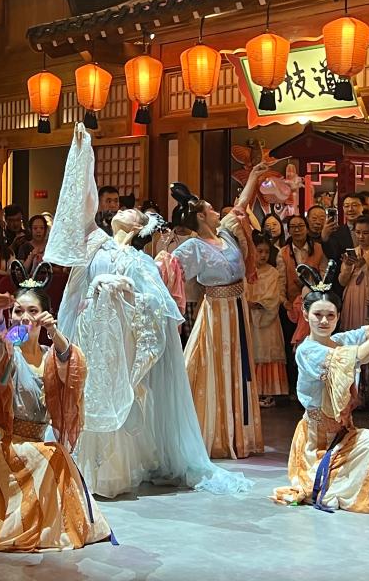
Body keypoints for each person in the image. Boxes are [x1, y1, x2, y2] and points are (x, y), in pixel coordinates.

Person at [48, 124, 251, 496]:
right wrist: (83, 154)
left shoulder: (139, 262)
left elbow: (158, 307)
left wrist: (124, 292)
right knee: (88, 391)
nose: (125, 210)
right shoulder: (96, 244)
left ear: (138, 227)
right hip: (91, 334)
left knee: (116, 395)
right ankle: (79, 463)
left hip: (119, 339)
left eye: (133, 212)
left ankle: (110, 471)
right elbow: (83, 203)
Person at [0, 263, 113, 551]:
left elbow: (72, 366)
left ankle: (48, 526)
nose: (24, 317)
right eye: (18, 311)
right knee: (55, 458)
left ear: (44, 316)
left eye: (32, 311)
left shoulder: (50, 355)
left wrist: (55, 332)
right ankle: (30, 527)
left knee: (57, 456)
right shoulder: (9, 351)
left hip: (35, 443)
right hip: (7, 443)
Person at [272, 264, 369, 513]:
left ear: (338, 316)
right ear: (305, 314)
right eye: (318, 314)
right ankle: (326, 488)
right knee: (368, 441)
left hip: (342, 432)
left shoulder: (338, 341)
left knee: (368, 443)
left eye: (330, 315)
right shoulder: (307, 351)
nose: (324, 320)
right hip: (316, 442)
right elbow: (359, 355)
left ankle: (340, 489)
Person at [166, 165, 266, 460]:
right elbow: (168, 269)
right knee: (215, 367)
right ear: (200, 216)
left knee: (238, 367)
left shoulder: (228, 235)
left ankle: (239, 434)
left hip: (237, 308)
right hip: (216, 312)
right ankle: (216, 433)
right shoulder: (193, 247)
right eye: (210, 209)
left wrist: (254, 177)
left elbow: (241, 208)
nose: (216, 212)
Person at [246, 235, 288, 407]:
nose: (263, 255)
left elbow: (274, 296)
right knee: (252, 351)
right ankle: (253, 392)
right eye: (259, 251)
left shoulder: (273, 272)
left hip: (268, 319)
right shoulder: (245, 272)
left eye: (266, 252)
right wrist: (247, 302)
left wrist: (258, 303)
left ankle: (269, 391)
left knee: (268, 351)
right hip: (250, 318)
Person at [277, 214, 327, 347]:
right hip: (292, 307)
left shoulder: (319, 249)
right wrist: (284, 302)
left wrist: (310, 285)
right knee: (293, 344)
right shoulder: (283, 252)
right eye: (293, 227)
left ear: (307, 228)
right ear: (288, 230)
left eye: (300, 226)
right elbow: (280, 281)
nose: (297, 230)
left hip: (315, 305)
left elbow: (324, 276)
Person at [337, 215, 369, 331]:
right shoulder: (352, 252)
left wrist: (365, 266)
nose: (361, 236)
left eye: (365, 233)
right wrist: (347, 266)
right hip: (352, 294)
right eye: (358, 232)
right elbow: (342, 282)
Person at [320, 193, 365, 261]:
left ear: (363, 207)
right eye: (346, 206)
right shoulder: (336, 232)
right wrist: (324, 237)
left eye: (354, 205)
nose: (350, 209)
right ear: (343, 208)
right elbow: (332, 256)